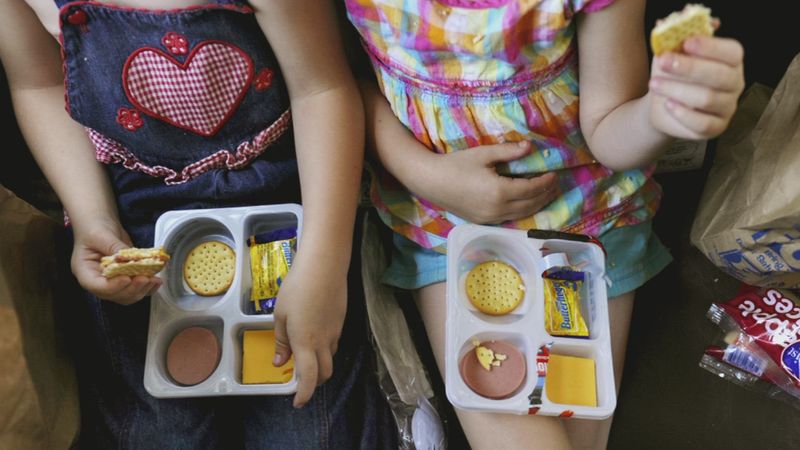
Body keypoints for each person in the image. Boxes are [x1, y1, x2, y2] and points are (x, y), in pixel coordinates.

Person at [345, 0, 744, 448]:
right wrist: (423, 173)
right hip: (446, 224)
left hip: (588, 219)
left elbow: (609, 129)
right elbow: (336, 85)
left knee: (576, 428)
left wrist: (661, 112)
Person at [0, 0, 395, 447]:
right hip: (132, 206)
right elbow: (39, 84)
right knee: (156, 431)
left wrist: (324, 264)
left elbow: (321, 89)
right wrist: (93, 215)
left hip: (284, 194)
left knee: (312, 429)